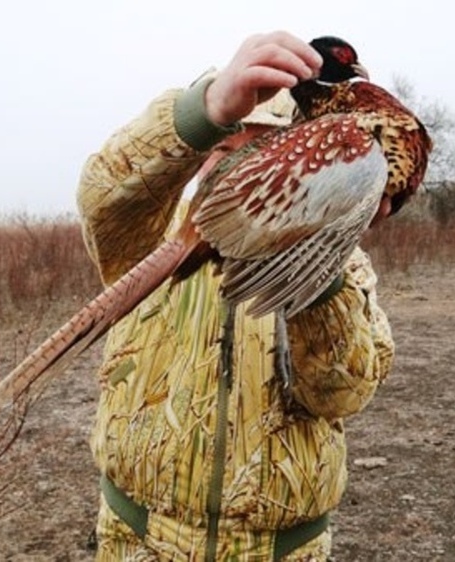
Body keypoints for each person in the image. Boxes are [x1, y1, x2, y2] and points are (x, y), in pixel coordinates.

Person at [77, 31, 395, 561]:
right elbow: (101, 196)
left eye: (260, 153)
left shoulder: (342, 264)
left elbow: (342, 394)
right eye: (222, 150)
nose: (237, 171)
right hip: (141, 543)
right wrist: (202, 110)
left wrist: (313, 258)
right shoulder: (150, 245)